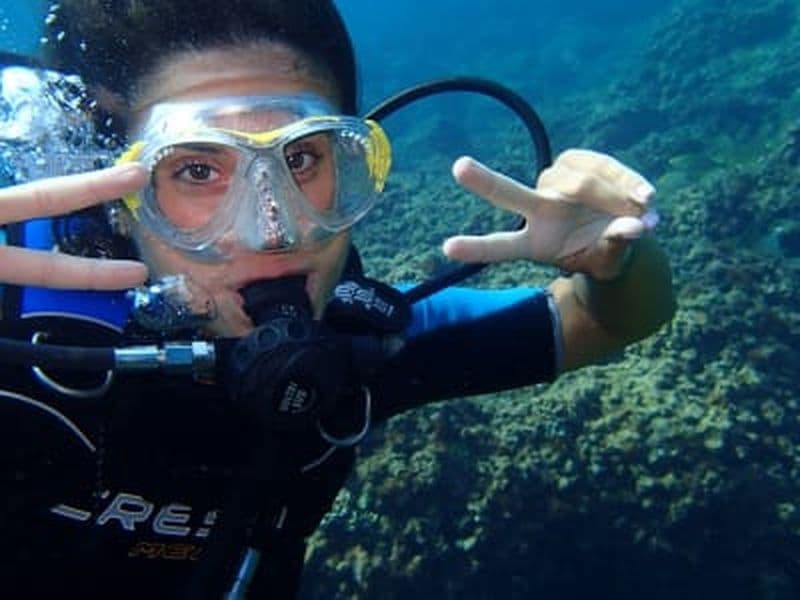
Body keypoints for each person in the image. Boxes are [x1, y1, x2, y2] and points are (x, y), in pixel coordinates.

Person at [0, 0, 675, 597]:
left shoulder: (363, 345)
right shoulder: (19, 341)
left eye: (301, 159)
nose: (274, 231)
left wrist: (614, 260)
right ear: (116, 199)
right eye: (198, 170)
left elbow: (608, 319)